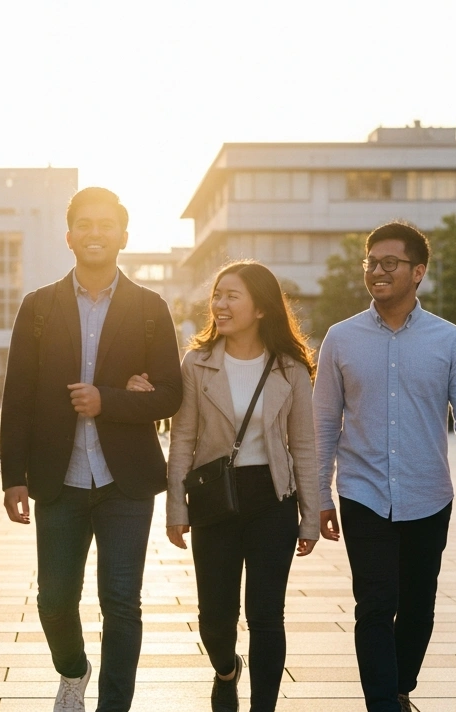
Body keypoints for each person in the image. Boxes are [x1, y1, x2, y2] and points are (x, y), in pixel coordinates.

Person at [0, 187, 183, 712]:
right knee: (54, 601)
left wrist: (112, 400)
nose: (96, 233)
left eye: (107, 224)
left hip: (126, 483)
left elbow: (171, 395)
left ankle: (112, 707)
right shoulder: (38, 307)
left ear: (124, 236)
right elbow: (18, 398)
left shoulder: (150, 309)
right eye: (86, 224)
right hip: (58, 481)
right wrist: (15, 476)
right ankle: (74, 670)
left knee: (122, 604)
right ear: (70, 236)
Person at [313, 221, 456, 712]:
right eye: (371, 262)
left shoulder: (449, 339)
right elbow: (324, 422)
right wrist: (318, 495)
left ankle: (400, 687)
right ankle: (383, 705)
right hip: (362, 492)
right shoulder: (340, 338)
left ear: (418, 272)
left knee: (417, 607)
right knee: (374, 605)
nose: (377, 270)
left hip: (427, 492)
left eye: (389, 263)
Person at [162, 260, 321, 712]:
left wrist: (310, 515)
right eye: (218, 295)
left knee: (267, 616)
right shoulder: (197, 362)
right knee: (215, 619)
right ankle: (226, 668)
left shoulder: (289, 367)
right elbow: (183, 440)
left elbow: (304, 445)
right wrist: (177, 509)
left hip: (272, 499)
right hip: (215, 498)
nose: (220, 304)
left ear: (261, 308)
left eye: (232, 295)